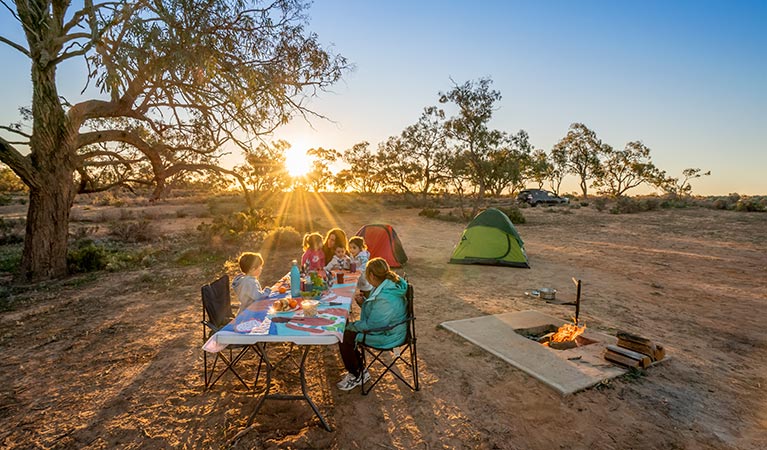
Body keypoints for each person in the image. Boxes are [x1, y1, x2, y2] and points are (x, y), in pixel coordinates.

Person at [336, 258, 408, 391]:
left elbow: (373, 325)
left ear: (372, 276)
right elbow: (379, 315)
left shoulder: (384, 298)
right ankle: (359, 369)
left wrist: (350, 327)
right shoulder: (388, 285)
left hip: (389, 335)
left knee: (344, 334)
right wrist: (363, 303)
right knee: (347, 330)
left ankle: (357, 374)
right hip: (392, 328)